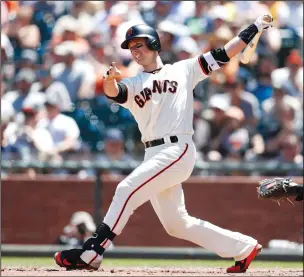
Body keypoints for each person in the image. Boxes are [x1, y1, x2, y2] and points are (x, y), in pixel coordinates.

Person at [55, 16, 274, 273]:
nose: (135, 51)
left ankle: (94, 250)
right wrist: (109, 78)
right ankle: (244, 248)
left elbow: (224, 54)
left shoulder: (183, 69)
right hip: (154, 154)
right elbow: (113, 92)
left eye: (140, 45)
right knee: (176, 224)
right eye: (131, 47)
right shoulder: (134, 83)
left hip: (177, 149)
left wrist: (255, 27)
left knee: (126, 189)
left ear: (154, 44)